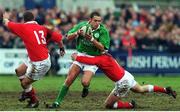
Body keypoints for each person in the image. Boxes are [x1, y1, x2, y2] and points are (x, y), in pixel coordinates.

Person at [0, 11, 65, 108]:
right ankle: (27, 92)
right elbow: (59, 38)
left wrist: (4, 17)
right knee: (19, 71)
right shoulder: (43, 28)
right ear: (34, 19)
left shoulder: (22, 27)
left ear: (24, 20)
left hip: (41, 63)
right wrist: (61, 48)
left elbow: (6, 22)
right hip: (35, 58)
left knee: (24, 83)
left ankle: (34, 101)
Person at [47, 11, 110, 108]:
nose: (98, 23)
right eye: (95, 20)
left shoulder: (103, 31)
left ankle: (86, 87)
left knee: (85, 82)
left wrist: (92, 39)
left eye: (99, 21)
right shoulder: (82, 26)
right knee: (69, 79)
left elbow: (103, 48)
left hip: (93, 59)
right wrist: (77, 33)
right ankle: (57, 103)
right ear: (90, 20)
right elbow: (67, 37)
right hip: (80, 55)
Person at [71, 52, 177, 109]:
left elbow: (90, 60)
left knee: (108, 105)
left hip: (123, 83)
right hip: (127, 76)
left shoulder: (100, 58)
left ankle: (130, 105)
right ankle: (165, 90)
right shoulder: (107, 55)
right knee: (140, 89)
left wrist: (77, 58)